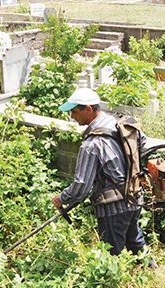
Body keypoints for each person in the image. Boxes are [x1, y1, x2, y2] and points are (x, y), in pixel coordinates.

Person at [51, 88, 150, 259]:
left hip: (114, 208)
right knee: (135, 241)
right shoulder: (121, 125)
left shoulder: (92, 145)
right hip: (134, 197)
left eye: (74, 112)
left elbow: (81, 187)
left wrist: (62, 198)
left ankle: (115, 283)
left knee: (112, 255)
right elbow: (143, 143)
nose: (72, 117)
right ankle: (151, 271)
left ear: (88, 109)